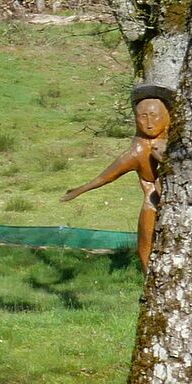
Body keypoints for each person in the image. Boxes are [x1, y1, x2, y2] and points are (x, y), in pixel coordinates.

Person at [64, 84, 176, 269]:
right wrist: (79, 190)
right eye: (142, 117)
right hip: (153, 203)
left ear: (166, 116)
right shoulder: (138, 150)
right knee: (146, 245)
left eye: (154, 116)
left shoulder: (178, 141)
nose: (149, 124)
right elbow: (107, 176)